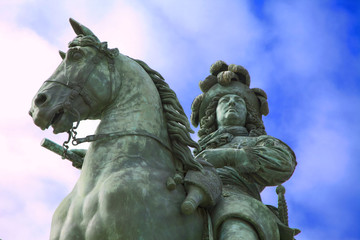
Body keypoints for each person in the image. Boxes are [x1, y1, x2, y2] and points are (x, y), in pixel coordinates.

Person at [190, 61, 299, 240]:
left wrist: (229, 156)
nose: (232, 103)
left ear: (248, 113)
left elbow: (284, 163)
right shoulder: (192, 151)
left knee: (235, 225)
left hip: (235, 198)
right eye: (225, 100)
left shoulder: (259, 142)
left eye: (238, 101)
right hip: (186, 194)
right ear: (213, 114)